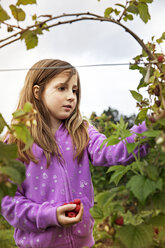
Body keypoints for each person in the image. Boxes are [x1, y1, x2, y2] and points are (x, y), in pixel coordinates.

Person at [1, 59, 148, 248]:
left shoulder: (82, 131)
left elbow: (111, 151)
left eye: (74, 90)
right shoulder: (18, 142)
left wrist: (149, 127)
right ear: (37, 92)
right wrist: (49, 215)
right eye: (62, 88)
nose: (71, 96)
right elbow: (8, 201)